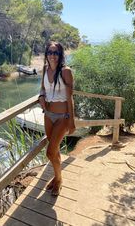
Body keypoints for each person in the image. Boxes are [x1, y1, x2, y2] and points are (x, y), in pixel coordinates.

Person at [38, 41, 76, 196]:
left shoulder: (66, 71)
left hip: (62, 117)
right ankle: (56, 176)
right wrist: (41, 96)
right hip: (48, 115)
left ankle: (59, 180)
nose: (52, 56)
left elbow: (70, 98)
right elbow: (42, 87)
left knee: (49, 152)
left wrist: (72, 121)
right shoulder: (45, 69)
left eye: (56, 53)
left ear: (61, 55)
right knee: (55, 150)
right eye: (50, 52)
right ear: (46, 54)